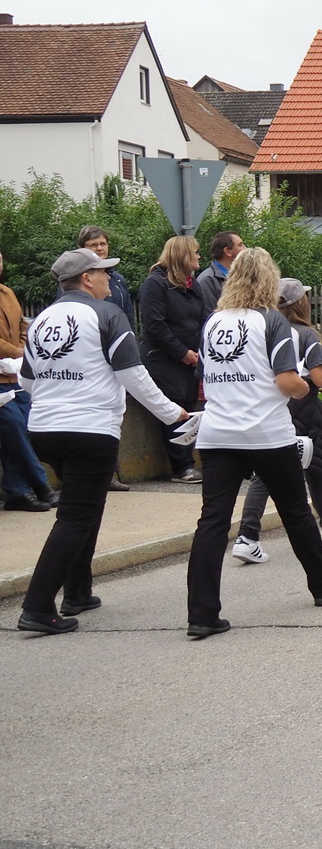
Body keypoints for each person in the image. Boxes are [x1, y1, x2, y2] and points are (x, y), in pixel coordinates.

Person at [184, 248, 322, 638]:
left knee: (211, 521)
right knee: (294, 510)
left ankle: (202, 613)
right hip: (265, 431)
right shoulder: (271, 321)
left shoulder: (212, 323)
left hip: (218, 433)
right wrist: (312, 382)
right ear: (268, 281)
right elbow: (287, 383)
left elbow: (210, 373)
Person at [14, 248, 187, 634]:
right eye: (104, 273)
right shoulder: (107, 314)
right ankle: (38, 607)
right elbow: (133, 375)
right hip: (90, 430)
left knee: (83, 508)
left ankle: (78, 591)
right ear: (87, 279)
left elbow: (27, 381)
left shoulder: (41, 319)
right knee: (75, 516)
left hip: (43, 428)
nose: (110, 279)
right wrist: (172, 413)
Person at [232, 277, 322, 562]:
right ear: (300, 302)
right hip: (305, 405)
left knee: (266, 472)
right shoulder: (306, 334)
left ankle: (246, 535)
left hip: (273, 406)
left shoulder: (263, 330)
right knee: (316, 469)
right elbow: (319, 377)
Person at [135, 236, 209, 484]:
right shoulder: (155, 285)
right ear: (182, 256)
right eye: (195, 252)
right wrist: (182, 353)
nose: (199, 257)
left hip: (189, 360)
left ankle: (188, 461)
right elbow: (155, 326)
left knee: (189, 407)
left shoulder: (192, 285)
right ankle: (181, 466)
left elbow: (202, 319)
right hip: (164, 360)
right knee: (175, 409)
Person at [75, 226, 136, 492]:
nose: (100, 248)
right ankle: (100, 474)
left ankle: (110, 469)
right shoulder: (74, 281)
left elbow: (128, 316)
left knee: (116, 413)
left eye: (103, 244)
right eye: (93, 245)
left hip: (119, 352)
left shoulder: (117, 279)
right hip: (96, 357)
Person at [1, 248, 58, 512]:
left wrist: (22, 348)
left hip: (13, 374)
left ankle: (17, 491)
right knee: (12, 425)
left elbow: (24, 324)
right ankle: (40, 484)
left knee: (25, 426)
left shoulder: (8, 293)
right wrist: (16, 352)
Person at [195, 231, 244, 310]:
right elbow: (209, 316)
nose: (245, 249)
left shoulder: (242, 275)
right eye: (240, 245)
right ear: (228, 251)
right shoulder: (207, 280)